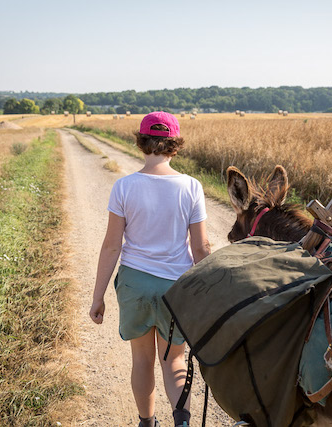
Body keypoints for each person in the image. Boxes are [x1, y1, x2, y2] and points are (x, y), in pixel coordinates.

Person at [89, 112, 211, 427]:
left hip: (135, 285)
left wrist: (98, 296)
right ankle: (181, 421)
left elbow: (111, 246)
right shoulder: (191, 187)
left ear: (142, 143)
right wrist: (211, 295)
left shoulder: (124, 186)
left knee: (142, 360)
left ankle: (147, 422)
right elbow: (201, 248)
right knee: (174, 361)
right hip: (176, 288)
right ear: (175, 145)